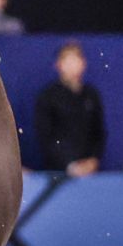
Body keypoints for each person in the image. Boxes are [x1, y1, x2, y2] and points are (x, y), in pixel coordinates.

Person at [33, 42, 106, 178]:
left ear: (83, 63)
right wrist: (70, 165)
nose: (72, 65)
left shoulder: (91, 95)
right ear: (58, 65)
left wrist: (93, 161)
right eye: (68, 60)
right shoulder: (48, 97)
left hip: (90, 174)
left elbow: (99, 133)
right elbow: (46, 137)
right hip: (58, 175)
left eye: (76, 59)